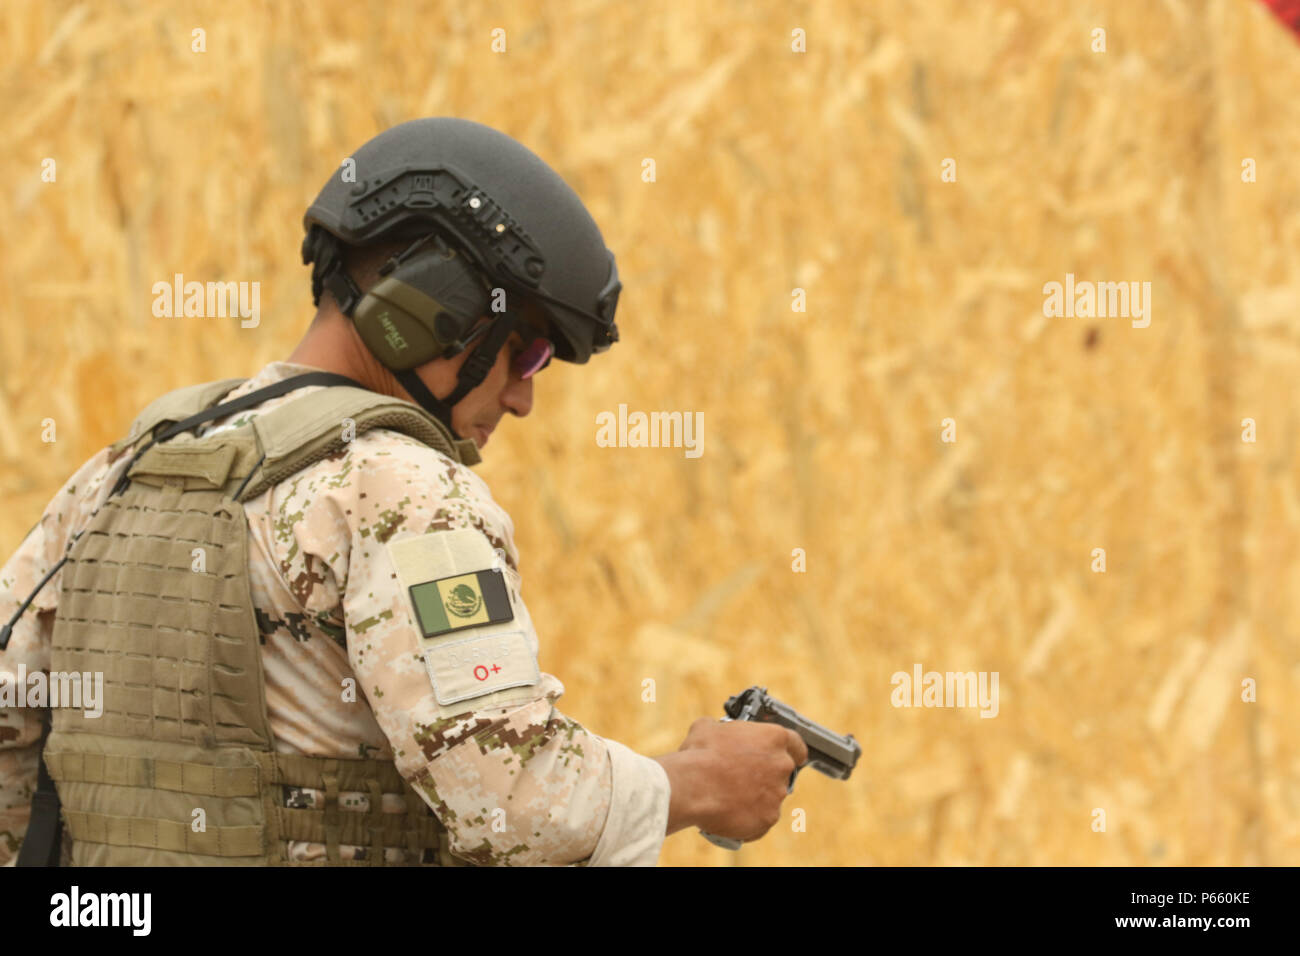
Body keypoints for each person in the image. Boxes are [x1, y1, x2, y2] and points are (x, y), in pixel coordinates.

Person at [0, 117, 807, 867]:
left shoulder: (127, 468)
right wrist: (695, 784)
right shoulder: (402, 486)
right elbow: (517, 802)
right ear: (437, 309)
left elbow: (8, 723)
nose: (524, 397)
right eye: (526, 353)